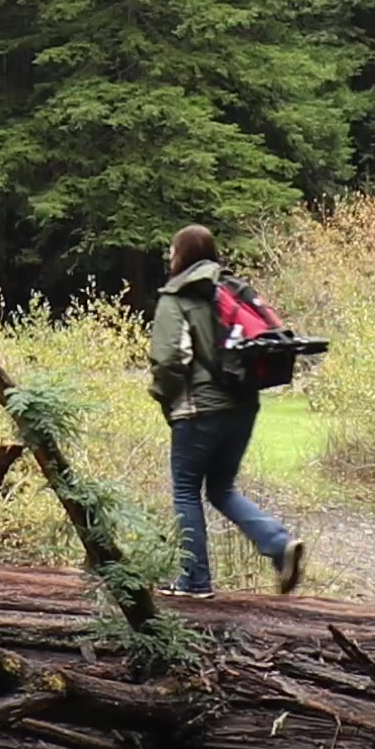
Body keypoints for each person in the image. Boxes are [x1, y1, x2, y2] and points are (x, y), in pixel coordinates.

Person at [148, 224, 306, 597]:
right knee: (220, 488)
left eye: (173, 251)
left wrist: (162, 397)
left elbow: (170, 360)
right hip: (243, 406)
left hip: (199, 410)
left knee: (186, 490)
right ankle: (278, 543)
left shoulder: (177, 297)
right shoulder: (231, 289)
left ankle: (194, 581)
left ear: (182, 256)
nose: (170, 258)